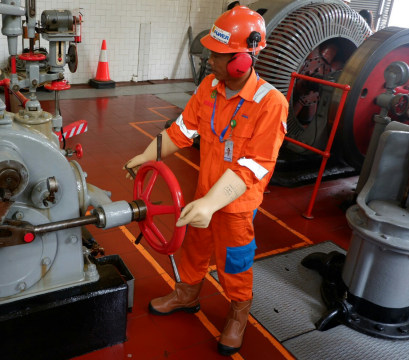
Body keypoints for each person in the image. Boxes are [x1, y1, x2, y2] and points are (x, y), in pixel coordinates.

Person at [124, 6, 288, 356]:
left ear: (243, 61)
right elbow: (181, 131)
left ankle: (238, 314)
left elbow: (253, 168)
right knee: (194, 250)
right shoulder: (210, 88)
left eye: (218, 55)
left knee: (235, 263)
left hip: (236, 207)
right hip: (204, 195)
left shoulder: (270, 104)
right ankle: (187, 294)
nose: (209, 59)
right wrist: (146, 155)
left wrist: (213, 203)